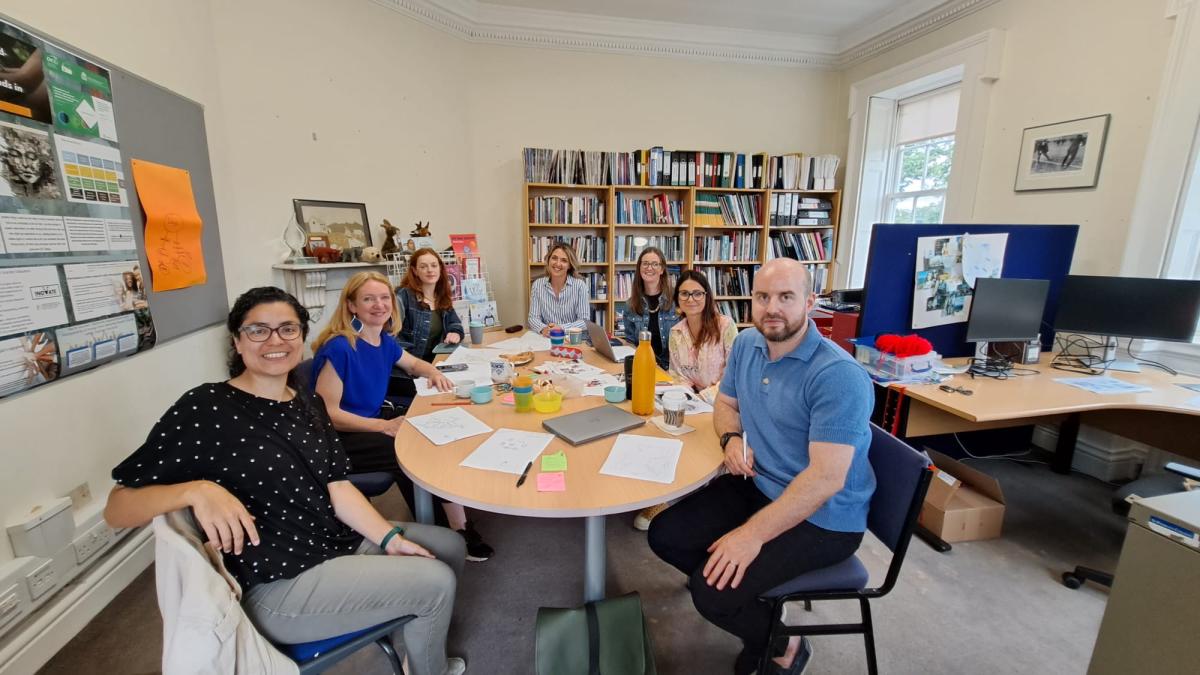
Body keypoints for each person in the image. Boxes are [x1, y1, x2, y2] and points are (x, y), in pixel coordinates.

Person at [103, 287, 467, 675]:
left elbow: (338, 486)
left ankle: (416, 632)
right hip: (277, 580)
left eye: (288, 330)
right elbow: (117, 507)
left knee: (448, 545)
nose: (275, 341)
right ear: (238, 341)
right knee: (436, 582)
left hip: (332, 540)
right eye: (259, 330)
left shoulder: (305, 403)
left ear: (301, 336)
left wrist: (390, 539)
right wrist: (197, 490)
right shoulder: (207, 407)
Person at [648, 259, 875, 675]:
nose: (772, 307)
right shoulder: (749, 344)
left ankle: (784, 643)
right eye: (763, 297)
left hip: (825, 517)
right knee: (665, 535)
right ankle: (748, 600)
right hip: (760, 483)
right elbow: (726, 404)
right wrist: (730, 438)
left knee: (710, 593)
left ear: (809, 301)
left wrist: (750, 537)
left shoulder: (839, 376)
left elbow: (825, 479)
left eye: (786, 297)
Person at [312, 271, 495, 562]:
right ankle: (445, 533)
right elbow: (329, 415)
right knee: (414, 451)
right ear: (351, 305)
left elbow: (412, 364)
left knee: (434, 437)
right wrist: (384, 425)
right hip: (340, 439)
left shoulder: (382, 341)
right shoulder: (340, 347)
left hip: (369, 425)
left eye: (384, 298)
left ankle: (455, 524)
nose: (379, 305)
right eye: (368, 299)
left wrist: (433, 371)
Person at [668, 270, 738, 402]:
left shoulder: (726, 326)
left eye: (697, 294)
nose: (690, 299)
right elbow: (678, 376)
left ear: (707, 296)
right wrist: (687, 397)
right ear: (677, 298)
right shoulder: (675, 332)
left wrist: (703, 397)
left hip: (725, 401)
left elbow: (733, 375)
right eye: (684, 294)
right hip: (692, 403)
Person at [397, 248, 464, 362]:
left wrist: (455, 333)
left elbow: (455, 323)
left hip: (436, 361)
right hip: (409, 366)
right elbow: (391, 336)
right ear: (415, 271)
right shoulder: (403, 296)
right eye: (423, 267)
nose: (430, 270)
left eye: (434, 265)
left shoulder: (441, 296)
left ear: (440, 268)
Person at [622, 246, 679, 370]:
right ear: (639, 268)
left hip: (671, 370)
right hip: (642, 367)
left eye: (654, 264)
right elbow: (630, 342)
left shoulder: (677, 300)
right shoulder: (630, 305)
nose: (649, 268)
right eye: (645, 264)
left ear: (662, 269)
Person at [527, 242, 590, 336]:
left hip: (571, 339)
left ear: (569, 265)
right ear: (548, 260)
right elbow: (533, 318)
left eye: (564, 260)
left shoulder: (580, 286)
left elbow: (584, 321)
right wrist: (544, 329)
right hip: (546, 339)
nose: (558, 263)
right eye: (554, 258)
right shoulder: (537, 285)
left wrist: (561, 328)